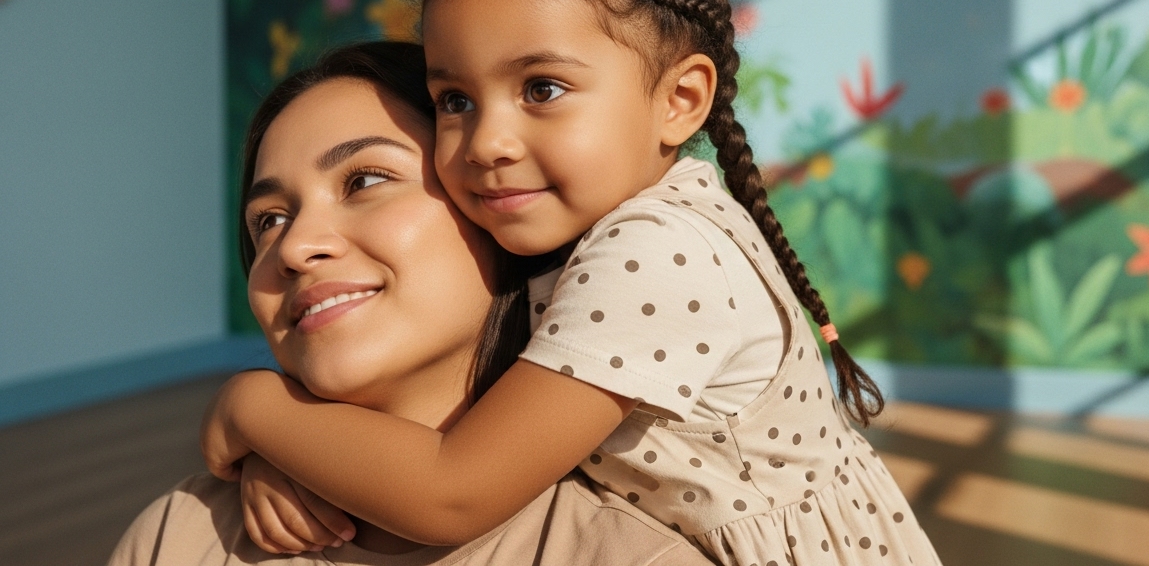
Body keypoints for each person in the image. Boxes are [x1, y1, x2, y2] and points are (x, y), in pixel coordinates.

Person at [202, 0, 942, 566]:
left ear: (680, 100)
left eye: (542, 88)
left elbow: (451, 489)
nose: (487, 140)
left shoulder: (658, 251)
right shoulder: (571, 227)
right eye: (455, 99)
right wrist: (293, 454)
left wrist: (255, 408)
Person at [108, 42, 711, 566]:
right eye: (268, 220)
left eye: (364, 181)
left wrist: (251, 406)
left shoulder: (632, 551)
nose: (293, 247)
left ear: (498, 206)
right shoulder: (178, 535)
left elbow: (449, 492)